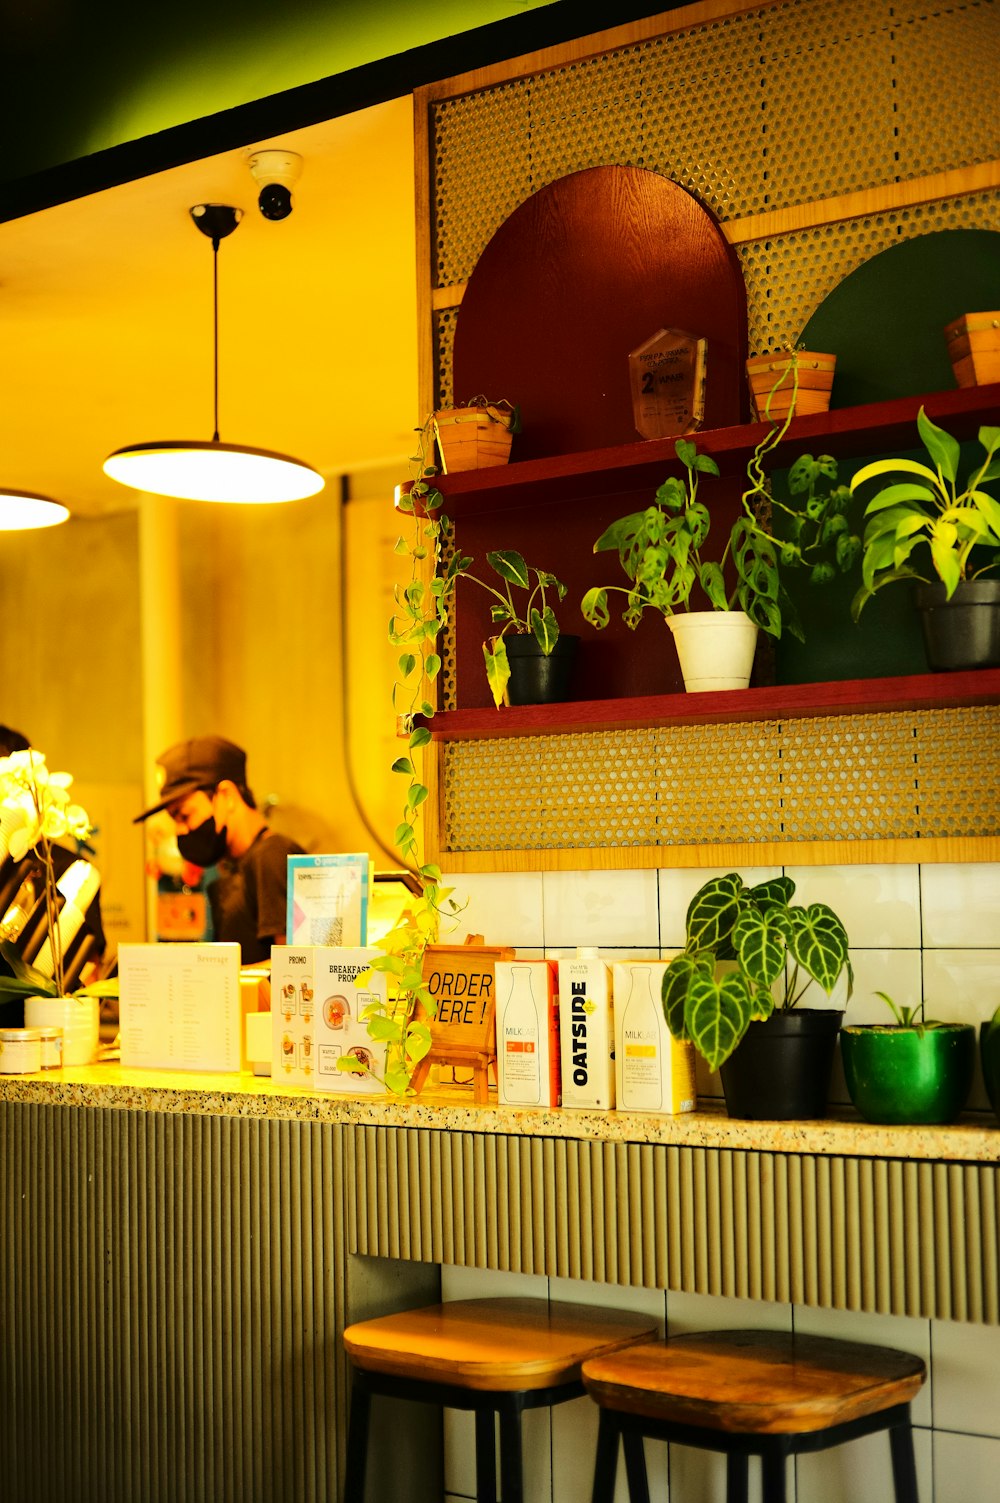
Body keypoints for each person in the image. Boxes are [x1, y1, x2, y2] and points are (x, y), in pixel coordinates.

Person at [134, 736, 302, 965]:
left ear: (226, 796)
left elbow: (293, 967)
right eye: (174, 820)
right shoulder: (232, 866)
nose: (180, 830)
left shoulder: (271, 857)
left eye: (185, 816)